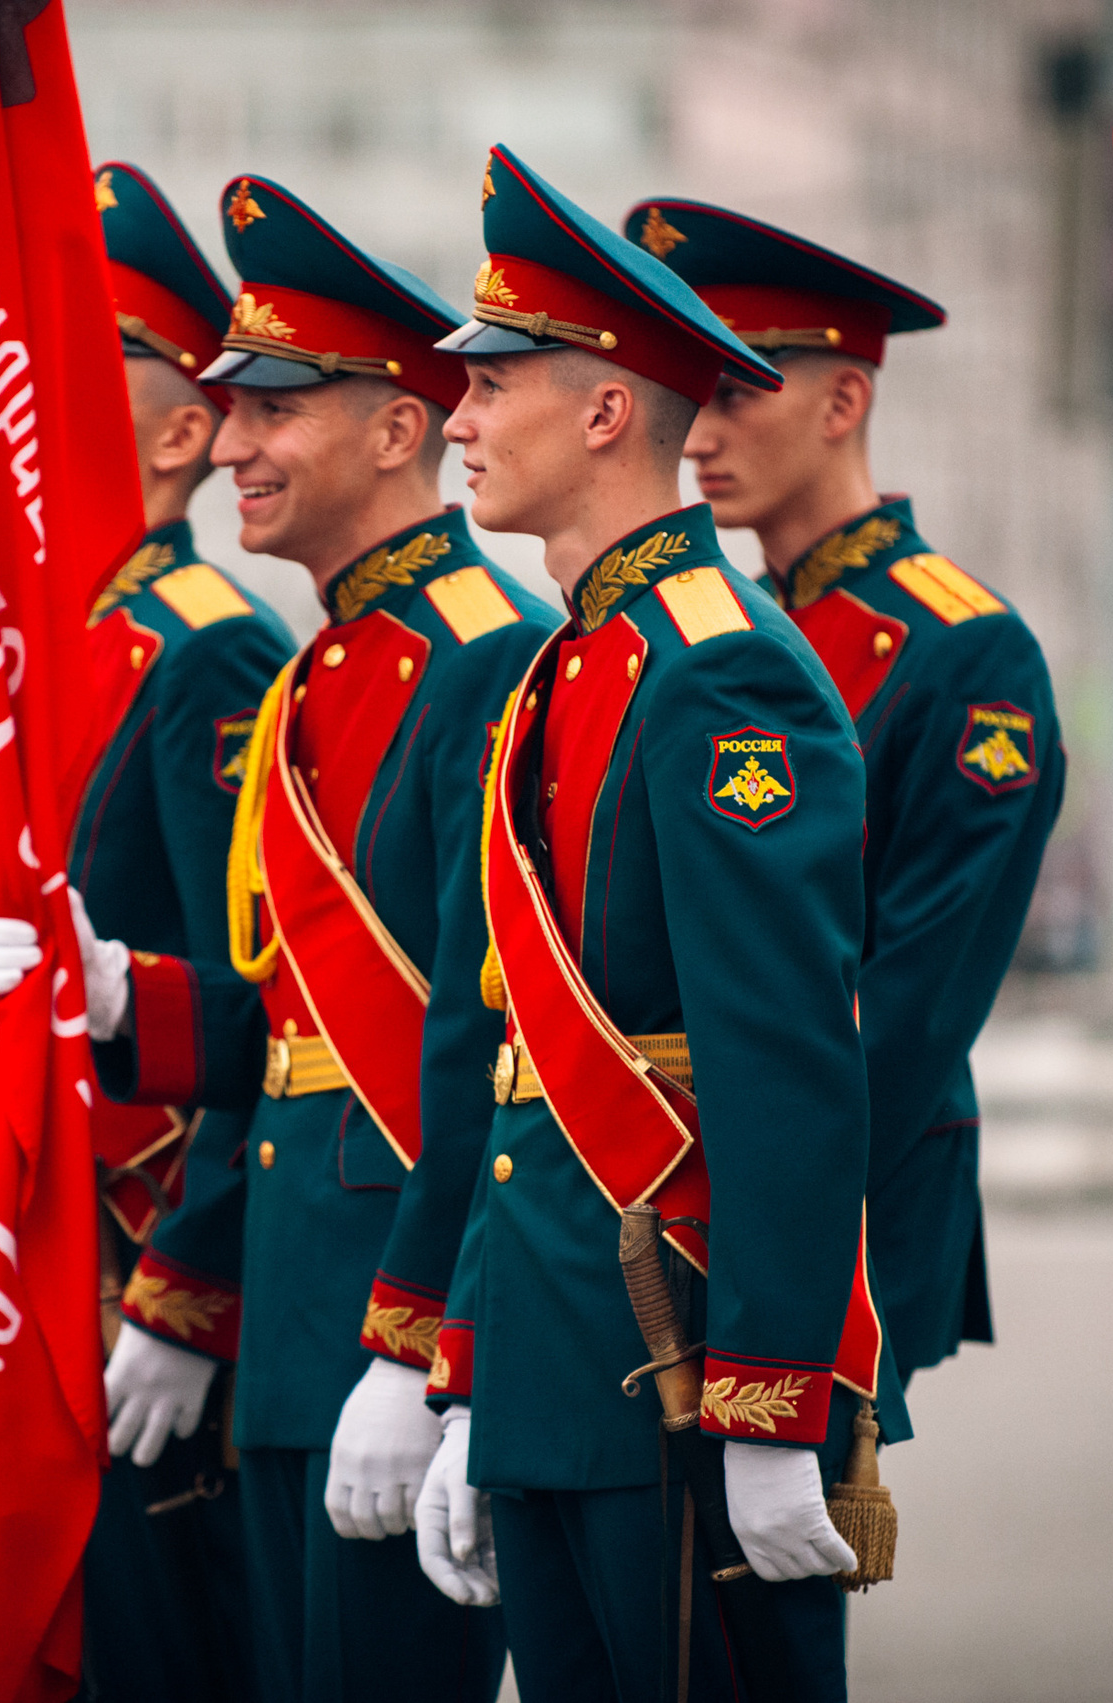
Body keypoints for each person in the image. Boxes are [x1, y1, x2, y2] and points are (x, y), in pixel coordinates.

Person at [414, 145, 907, 1701]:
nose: (461, 420)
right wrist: (467, 1380)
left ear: (609, 410)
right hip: (562, 1356)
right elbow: (519, 1076)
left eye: (492, 385)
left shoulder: (720, 669)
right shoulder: (576, 659)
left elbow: (783, 1067)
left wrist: (775, 1409)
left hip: (679, 1361)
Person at [79, 172, 553, 1702]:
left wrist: (427, 1350)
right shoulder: (313, 678)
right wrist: (122, 1002)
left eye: (273, 408)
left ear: (398, 428)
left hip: (391, 1321)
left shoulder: (486, 662)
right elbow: (284, 1026)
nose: (230, 448)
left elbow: (489, 1044)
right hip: (295, 1322)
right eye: (224, 410)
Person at [0, 162, 294, 1703]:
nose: (27, 394)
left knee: (173, 1658)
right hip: (49, 1267)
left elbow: (261, 1011)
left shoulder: (209, 654)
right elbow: (18, 1041)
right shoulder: (48, 663)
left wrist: (187, 1291)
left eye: (77, 365)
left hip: (151, 1291)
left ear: (185, 428)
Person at [628, 196, 1066, 1384]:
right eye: (687, 390)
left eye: (734, 390)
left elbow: (916, 994)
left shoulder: (962, 650)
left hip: (836, 1194)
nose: (695, 432)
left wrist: (752, 1212)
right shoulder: (721, 629)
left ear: (842, 400)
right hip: (677, 1179)